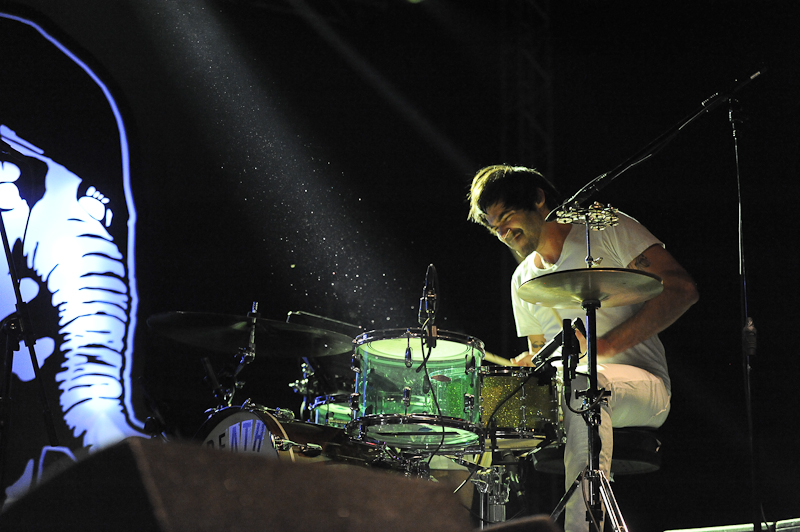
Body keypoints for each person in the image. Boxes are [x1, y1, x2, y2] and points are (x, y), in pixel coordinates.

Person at [467, 165, 698, 532]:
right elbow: (541, 352)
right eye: (494, 226)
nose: (503, 233)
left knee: (582, 385)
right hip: (569, 391)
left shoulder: (605, 231)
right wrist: (531, 369)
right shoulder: (522, 279)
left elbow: (681, 289)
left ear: (539, 200)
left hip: (642, 387)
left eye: (507, 217)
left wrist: (603, 346)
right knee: (480, 407)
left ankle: (583, 528)